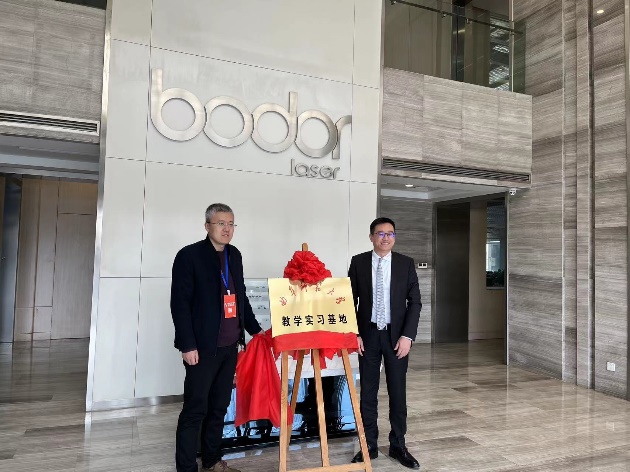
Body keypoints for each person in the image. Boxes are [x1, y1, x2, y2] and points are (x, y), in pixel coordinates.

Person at [171, 203, 262, 472]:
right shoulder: (189, 256)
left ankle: (211, 460)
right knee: (195, 409)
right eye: (221, 223)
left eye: (231, 224)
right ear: (207, 226)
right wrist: (187, 344)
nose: (227, 229)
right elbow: (179, 303)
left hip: (229, 346)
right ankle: (186, 467)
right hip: (202, 348)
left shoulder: (235, 255)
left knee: (219, 407)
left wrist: (255, 330)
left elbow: (240, 296)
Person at [348, 217, 422, 469]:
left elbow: (415, 302)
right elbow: (348, 301)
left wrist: (408, 336)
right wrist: (353, 333)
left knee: (397, 393)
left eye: (390, 233)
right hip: (367, 336)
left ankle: (398, 444)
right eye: (380, 233)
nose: (386, 238)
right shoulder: (358, 262)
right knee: (368, 394)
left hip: (397, 338)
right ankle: (368, 445)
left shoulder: (405, 263)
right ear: (371, 237)